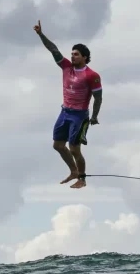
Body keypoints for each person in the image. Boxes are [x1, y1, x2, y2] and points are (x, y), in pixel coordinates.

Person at [33, 20, 103, 189]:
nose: (72, 56)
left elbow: (98, 98)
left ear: (85, 57)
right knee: (57, 145)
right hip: (64, 112)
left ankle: (82, 179)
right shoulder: (66, 67)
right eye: (72, 54)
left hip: (79, 116)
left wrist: (94, 116)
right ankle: (73, 171)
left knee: (74, 149)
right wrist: (41, 35)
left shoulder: (91, 75)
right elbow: (53, 49)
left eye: (76, 54)